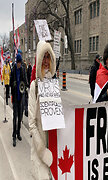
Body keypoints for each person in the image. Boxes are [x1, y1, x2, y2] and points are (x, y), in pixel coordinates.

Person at [28, 41, 56, 179]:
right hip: (41, 152)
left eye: (48, 56)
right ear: (39, 60)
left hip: (55, 149)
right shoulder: (35, 86)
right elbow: (32, 124)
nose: (46, 61)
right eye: (43, 57)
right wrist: (42, 151)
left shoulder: (54, 85)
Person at [10, 53, 27, 147]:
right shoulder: (13, 70)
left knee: (20, 117)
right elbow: (10, 81)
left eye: (20, 62)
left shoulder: (23, 70)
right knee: (15, 117)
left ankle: (18, 133)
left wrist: (24, 85)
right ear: (16, 62)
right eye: (18, 62)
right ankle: (13, 135)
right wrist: (13, 84)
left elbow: (25, 81)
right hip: (15, 97)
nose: (19, 64)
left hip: (21, 97)